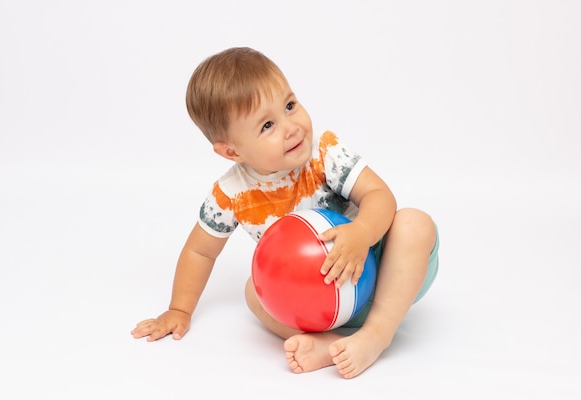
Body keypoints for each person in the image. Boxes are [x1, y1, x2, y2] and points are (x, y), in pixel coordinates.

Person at [131, 47, 439, 379]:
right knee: (254, 291)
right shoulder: (232, 193)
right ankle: (324, 343)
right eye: (267, 125)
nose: (291, 127)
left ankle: (376, 333)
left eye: (290, 106)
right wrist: (180, 308)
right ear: (231, 150)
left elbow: (380, 196)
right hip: (316, 305)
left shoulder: (324, 152)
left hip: (378, 273)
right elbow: (199, 250)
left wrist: (362, 232)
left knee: (414, 223)